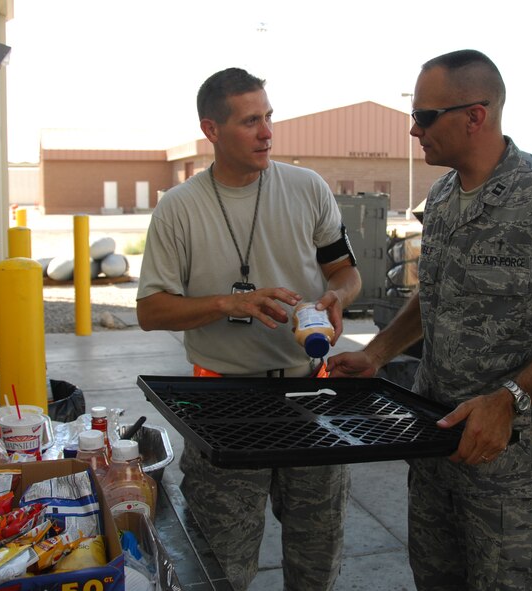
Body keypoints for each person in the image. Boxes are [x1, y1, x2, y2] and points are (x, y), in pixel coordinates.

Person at [328, 50, 532, 590]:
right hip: (435, 446)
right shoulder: (442, 197)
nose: (414, 131)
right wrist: (378, 352)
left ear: (475, 116)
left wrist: (508, 400)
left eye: (425, 117)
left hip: (514, 466)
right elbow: (432, 295)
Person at [136, 67, 361, 590]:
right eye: (250, 121)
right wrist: (228, 302)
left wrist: (338, 297)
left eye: (269, 117)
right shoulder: (179, 209)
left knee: (317, 558)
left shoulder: (307, 188)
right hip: (224, 405)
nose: (267, 133)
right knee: (221, 565)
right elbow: (151, 310)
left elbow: (345, 271)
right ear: (211, 130)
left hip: (311, 393)